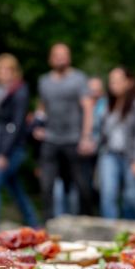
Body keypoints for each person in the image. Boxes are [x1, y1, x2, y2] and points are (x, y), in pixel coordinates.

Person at [34, 43, 95, 222]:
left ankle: (86, 223)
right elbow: (42, 107)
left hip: (74, 139)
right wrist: (37, 125)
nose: (60, 58)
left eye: (64, 54)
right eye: (57, 55)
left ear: (69, 57)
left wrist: (86, 136)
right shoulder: (44, 81)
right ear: (50, 59)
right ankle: (47, 225)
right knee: (46, 185)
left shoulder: (79, 79)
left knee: (82, 185)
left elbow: (88, 108)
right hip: (50, 139)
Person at [0, 54, 38, 233]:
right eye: (0, 70)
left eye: (8, 69)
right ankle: (35, 225)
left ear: (15, 72)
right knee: (15, 189)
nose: (4, 73)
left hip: (11, 150)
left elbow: (16, 125)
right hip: (0, 147)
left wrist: (3, 154)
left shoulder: (19, 92)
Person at [97, 67, 135, 220]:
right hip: (109, 154)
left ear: (129, 82)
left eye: (118, 81)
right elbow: (101, 131)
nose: (114, 84)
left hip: (131, 156)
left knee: (131, 197)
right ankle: (110, 229)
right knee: (108, 193)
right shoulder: (105, 104)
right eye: (111, 81)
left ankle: (131, 229)